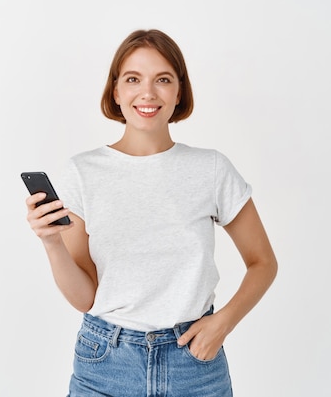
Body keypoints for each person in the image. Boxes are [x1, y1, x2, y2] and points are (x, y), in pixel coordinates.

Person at [25, 29, 277, 397]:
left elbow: (263, 262)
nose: (147, 92)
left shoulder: (211, 169)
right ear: (116, 91)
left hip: (194, 363)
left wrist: (222, 323)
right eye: (133, 79)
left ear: (179, 91)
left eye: (163, 79)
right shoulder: (83, 171)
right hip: (105, 363)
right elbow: (85, 298)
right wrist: (51, 243)